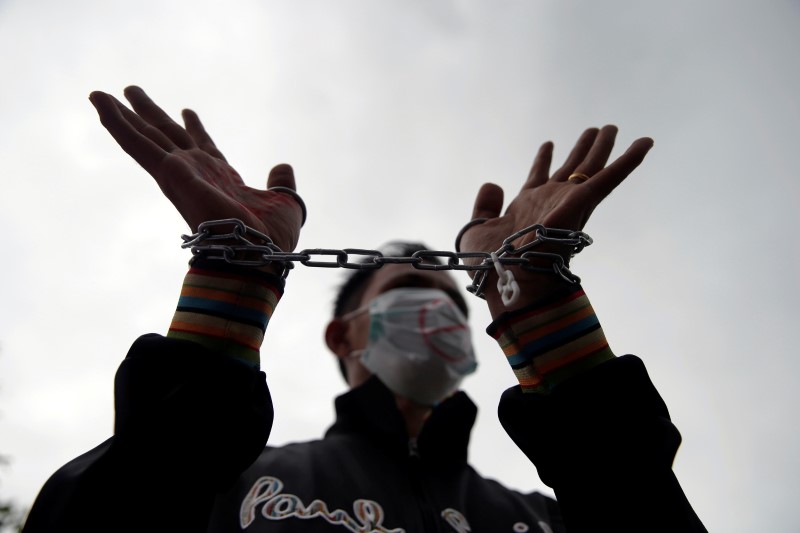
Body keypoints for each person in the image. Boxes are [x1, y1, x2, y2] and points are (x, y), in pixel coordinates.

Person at [22, 87, 705, 532]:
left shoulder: (540, 518)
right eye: (409, 292)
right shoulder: (238, 484)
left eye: (453, 303)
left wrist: (541, 308)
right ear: (341, 333)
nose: (437, 314)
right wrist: (232, 284)